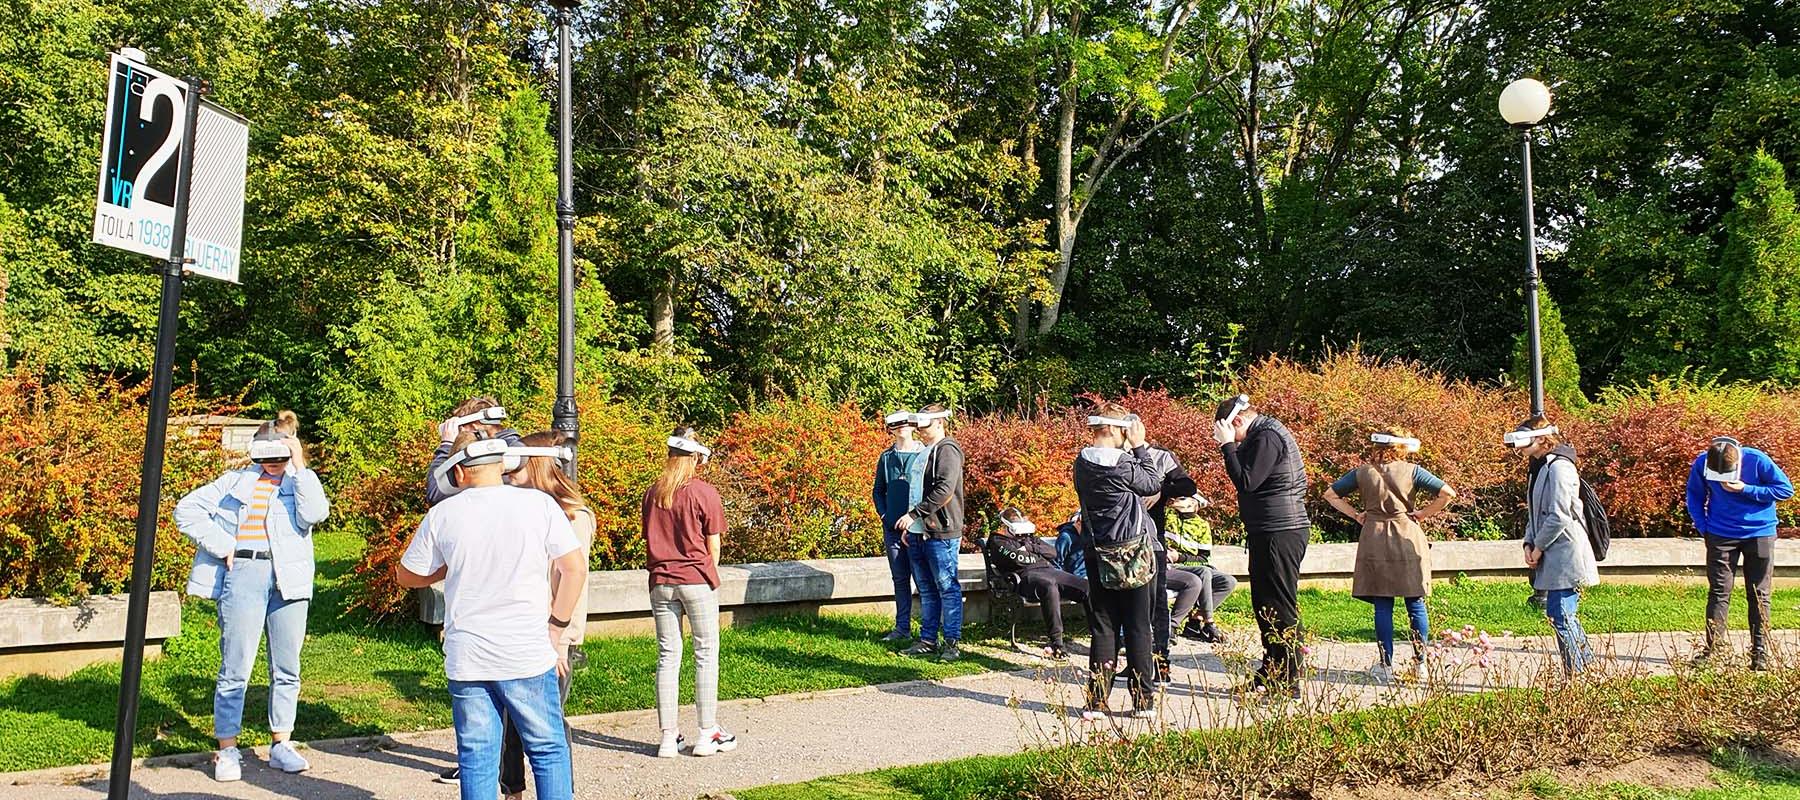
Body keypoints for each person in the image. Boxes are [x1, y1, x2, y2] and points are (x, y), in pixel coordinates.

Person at [396, 433, 587, 800]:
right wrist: (556, 627)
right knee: (547, 750)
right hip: (527, 651)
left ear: (459, 475)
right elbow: (573, 570)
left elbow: (405, 574)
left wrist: (446, 569)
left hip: (468, 658)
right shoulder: (539, 505)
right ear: (503, 464)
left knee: (477, 756)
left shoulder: (442, 515)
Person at [175, 419, 329, 782]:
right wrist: (224, 545)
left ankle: (281, 743)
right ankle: (228, 748)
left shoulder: (298, 482)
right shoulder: (236, 481)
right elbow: (186, 511)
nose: (274, 461)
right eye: (267, 453)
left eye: (281, 452)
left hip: (289, 578)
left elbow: (315, 514)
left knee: (287, 666)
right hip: (245, 573)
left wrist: (299, 463)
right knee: (236, 665)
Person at [426, 397, 524, 786]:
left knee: (516, 708)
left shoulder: (510, 448)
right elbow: (440, 495)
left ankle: (506, 776)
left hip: (506, 588)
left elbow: (437, 490)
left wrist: (446, 447)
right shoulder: (492, 445)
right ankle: (490, 769)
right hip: (478, 588)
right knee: (485, 700)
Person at [497, 432, 595, 799]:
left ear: (535, 465)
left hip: (553, 635)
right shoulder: (518, 507)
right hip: (517, 631)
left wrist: (557, 637)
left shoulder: (572, 515)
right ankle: (513, 791)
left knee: (546, 725)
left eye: (515, 465)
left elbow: (570, 577)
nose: (507, 473)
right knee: (510, 723)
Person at [1322, 429, 1457, 682]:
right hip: (1407, 535)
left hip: (1374, 537)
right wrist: (1423, 513)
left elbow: (1330, 494)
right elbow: (1447, 493)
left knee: (1383, 605)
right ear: (1401, 447)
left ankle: (1385, 665)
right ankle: (1421, 664)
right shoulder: (1413, 471)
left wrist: (1356, 514)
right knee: (1415, 603)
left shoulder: (1363, 472)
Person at [643, 427, 738, 758]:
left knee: (668, 656)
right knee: (705, 653)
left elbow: (650, 537)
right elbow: (714, 543)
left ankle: (668, 737)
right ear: (696, 457)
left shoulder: (653, 492)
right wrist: (710, 576)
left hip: (660, 581)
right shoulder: (703, 492)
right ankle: (706, 732)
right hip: (695, 578)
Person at [1211, 394, 1310, 698]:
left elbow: (1247, 481)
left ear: (1237, 421)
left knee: (1278, 605)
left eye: (1227, 432)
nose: (1228, 440)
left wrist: (1228, 446)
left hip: (1280, 530)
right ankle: (1270, 673)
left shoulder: (1266, 436)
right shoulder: (1264, 434)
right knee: (1266, 605)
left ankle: (1287, 682)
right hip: (1270, 529)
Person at [1072, 403, 1164, 720]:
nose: (1128, 435)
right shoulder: (1124, 462)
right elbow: (1152, 483)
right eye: (1124, 430)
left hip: (1097, 553)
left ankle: (1097, 702)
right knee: (1139, 626)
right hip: (1133, 554)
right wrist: (1140, 446)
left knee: (1104, 626)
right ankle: (1143, 701)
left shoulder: (1081, 463)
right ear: (1112, 430)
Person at [1685, 436, 1793, 669]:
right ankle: (1714, 651)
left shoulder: (1757, 460)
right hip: (1720, 535)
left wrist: (1747, 489)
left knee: (1759, 593)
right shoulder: (1703, 462)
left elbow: (1785, 490)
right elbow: (1694, 496)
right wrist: (1704, 528)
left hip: (1760, 534)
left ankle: (1760, 653)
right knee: (1719, 592)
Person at [1508, 417, 1599, 677]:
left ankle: (1577, 675)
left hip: (1565, 552)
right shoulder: (1540, 467)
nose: (1518, 447)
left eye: (1522, 439)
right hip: (1552, 551)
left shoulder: (1560, 467)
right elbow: (1536, 513)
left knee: (1560, 613)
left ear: (1540, 438)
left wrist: (1537, 547)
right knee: (1562, 613)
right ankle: (1588, 667)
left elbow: (1559, 515)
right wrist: (1528, 542)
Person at [896, 405, 967, 662]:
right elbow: (916, 490)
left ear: (939, 423)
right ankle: (927, 640)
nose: (920, 430)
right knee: (926, 589)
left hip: (941, 533)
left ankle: (951, 643)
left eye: (924, 425)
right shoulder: (925, 452)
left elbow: (944, 489)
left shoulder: (947, 449)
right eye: (918, 425)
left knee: (947, 587)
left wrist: (914, 516)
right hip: (919, 533)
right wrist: (912, 527)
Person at [985, 507, 1089, 659]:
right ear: (1007, 527)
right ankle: (1057, 644)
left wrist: (1030, 547)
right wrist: (1036, 554)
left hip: (1050, 571)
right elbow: (1019, 559)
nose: (1022, 534)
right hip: (1025, 577)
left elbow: (1052, 553)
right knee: (1048, 586)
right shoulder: (997, 541)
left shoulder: (1029, 538)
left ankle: (1103, 637)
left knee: (1087, 587)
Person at [1141, 439, 1199, 683]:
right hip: (1119, 540)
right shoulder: (1110, 454)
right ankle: (1138, 662)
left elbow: (1187, 485)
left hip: (1153, 540)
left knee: (1157, 602)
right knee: (1133, 606)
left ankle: (1161, 663)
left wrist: (1160, 489)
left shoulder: (1158, 455)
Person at [871, 410, 926, 642]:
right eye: (897, 425)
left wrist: (914, 519)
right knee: (900, 579)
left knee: (924, 581)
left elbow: (930, 492)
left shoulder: (924, 454)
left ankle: (929, 631)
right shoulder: (886, 458)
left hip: (917, 529)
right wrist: (885, 515)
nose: (902, 428)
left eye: (906, 423)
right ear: (891, 429)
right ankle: (902, 627)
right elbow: (878, 491)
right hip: (892, 530)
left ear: (913, 426)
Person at [426, 396, 524, 505]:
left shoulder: (486, 455)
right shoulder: (523, 452)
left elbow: (435, 493)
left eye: (459, 429)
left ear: (474, 427)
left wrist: (447, 444)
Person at [1164, 497, 1235, 644]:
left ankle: (1196, 620)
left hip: (1188, 565)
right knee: (1205, 573)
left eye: (1184, 498)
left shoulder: (1202, 526)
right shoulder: (1168, 516)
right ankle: (1208, 623)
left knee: (1228, 581)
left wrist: (1180, 557)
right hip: (1171, 567)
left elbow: (1203, 559)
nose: (1178, 500)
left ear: (1195, 504)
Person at [1055, 513, 1088, 579]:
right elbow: (1056, 562)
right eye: (1085, 529)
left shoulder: (1088, 536)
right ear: (1078, 522)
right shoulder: (1066, 537)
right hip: (1074, 581)